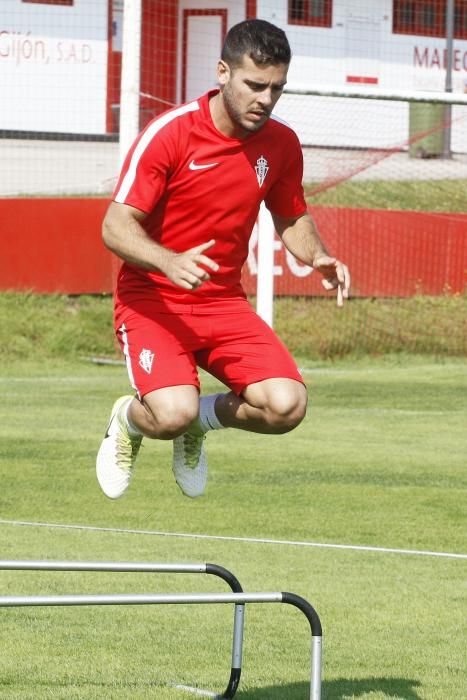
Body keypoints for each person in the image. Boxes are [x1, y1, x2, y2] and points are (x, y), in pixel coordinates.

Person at [96, 18, 350, 500]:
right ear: (222, 72)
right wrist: (169, 262)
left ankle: (201, 423)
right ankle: (128, 420)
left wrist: (318, 256)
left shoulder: (281, 143)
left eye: (277, 88)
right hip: (153, 302)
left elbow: (291, 217)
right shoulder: (169, 134)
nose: (265, 99)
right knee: (170, 414)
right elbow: (114, 226)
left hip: (221, 305)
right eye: (255, 85)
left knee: (286, 406)